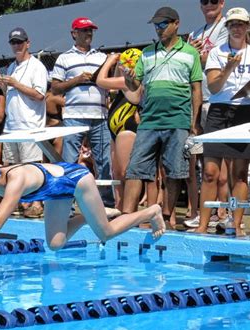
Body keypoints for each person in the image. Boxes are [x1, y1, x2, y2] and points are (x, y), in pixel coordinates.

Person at [0, 154, 165, 266]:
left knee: (104, 233)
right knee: (55, 244)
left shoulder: (16, 180)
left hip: (76, 180)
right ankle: (87, 215)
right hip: (54, 191)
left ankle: (151, 212)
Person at [122, 7, 202, 228]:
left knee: (174, 172)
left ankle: (166, 217)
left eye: (163, 24)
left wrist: (194, 124)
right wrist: (127, 78)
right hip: (149, 121)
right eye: (156, 25)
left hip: (178, 120)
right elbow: (135, 86)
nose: (158, 29)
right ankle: (127, 217)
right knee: (135, 169)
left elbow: (196, 90)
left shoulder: (190, 53)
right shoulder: (147, 53)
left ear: (176, 23)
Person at [192, 8, 250, 236]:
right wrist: (228, 68)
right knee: (210, 172)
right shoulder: (217, 52)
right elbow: (214, 87)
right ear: (227, 28)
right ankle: (203, 225)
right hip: (219, 111)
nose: (237, 28)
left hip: (246, 112)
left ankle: (236, 225)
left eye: (241, 24)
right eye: (232, 24)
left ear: (247, 27)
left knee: (239, 172)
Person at [51, 17, 115, 208]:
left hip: (100, 115)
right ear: (74, 33)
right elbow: (55, 89)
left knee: (104, 162)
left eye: (90, 30)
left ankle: (106, 203)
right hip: (74, 115)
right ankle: (66, 204)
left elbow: (111, 83)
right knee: (70, 161)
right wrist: (76, 80)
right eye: (84, 30)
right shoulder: (64, 58)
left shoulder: (102, 57)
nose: (88, 34)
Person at [185, 0, 229, 228]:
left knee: (223, 163)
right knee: (204, 161)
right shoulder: (195, 32)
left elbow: (211, 60)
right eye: (204, 1)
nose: (208, 4)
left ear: (222, 2)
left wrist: (193, 52)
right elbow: (191, 61)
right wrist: (193, 52)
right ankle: (210, 210)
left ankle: (224, 211)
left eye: (213, 0)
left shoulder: (226, 27)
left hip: (219, 100)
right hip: (200, 100)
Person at [0, 27, 48, 218]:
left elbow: (40, 95)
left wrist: (15, 84)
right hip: (12, 126)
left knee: (33, 168)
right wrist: (4, 87)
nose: (16, 46)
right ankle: (18, 202)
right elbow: (12, 97)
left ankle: (37, 203)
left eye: (20, 42)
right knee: (12, 168)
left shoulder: (37, 67)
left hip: (30, 126)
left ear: (28, 43)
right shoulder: (12, 67)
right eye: (13, 42)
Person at [96, 49, 142, 211]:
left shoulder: (127, 82)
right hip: (117, 130)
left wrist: (110, 60)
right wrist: (116, 65)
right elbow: (112, 88)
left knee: (125, 173)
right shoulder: (122, 82)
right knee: (117, 173)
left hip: (126, 129)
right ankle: (120, 205)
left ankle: (129, 209)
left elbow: (100, 81)